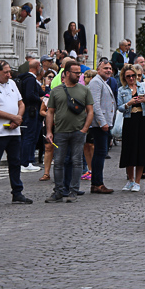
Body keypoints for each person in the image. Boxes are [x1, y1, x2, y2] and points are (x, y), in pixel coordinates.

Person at [0, 61, 32, 207]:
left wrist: (18, 118)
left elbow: (21, 103)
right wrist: (13, 117)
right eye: (5, 72)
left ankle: (17, 192)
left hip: (14, 130)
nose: (9, 74)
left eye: (9, 71)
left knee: (15, 162)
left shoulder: (11, 83)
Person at [44, 61, 94, 203]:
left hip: (78, 132)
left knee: (76, 161)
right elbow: (50, 112)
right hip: (60, 132)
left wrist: (85, 129)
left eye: (79, 73)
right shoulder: (56, 91)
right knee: (58, 161)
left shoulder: (84, 90)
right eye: (75, 72)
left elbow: (90, 111)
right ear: (66, 73)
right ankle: (59, 191)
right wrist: (49, 131)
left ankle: (73, 191)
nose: (79, 75)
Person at [116, 64, 145, 192]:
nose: (132, 78)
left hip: (143, 119)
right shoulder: (122, 90)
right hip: (129, 120)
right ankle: (130, 180)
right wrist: (128, 103)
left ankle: (137, 181)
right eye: (128, 76)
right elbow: (119, 107)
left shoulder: (143, 86)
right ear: (124, 78)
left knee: (141, 150)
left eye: (134, 76)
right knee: (128, 150)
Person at [87, 60, 115, 194]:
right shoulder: (96, 82)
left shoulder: (103, 82)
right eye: (105, 68)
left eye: (110, 68)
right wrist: (102, 122)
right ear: (98, 70)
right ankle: (97, 183)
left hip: (104, 123)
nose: (108, 70)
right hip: (99, 125)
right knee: (100, 153)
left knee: (101, 152)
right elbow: (95, 104)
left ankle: (97, 182)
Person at [19, 59, 43, 172]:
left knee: (31, 136)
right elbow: (29, 95)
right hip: (31, 111)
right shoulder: (30, 79)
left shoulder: (27, 79)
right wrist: (40, 98)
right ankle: (26, 162)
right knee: (29, 136)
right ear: (37, 67)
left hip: (30, 111)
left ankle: (28, 160)